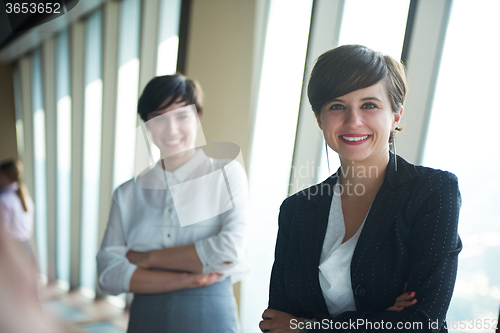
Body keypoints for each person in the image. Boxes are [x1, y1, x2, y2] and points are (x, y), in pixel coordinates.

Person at [260, 45, 461, 332]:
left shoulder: (432, 192)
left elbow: (422, 322)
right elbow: (276, 322)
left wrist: (309, 327)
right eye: (337, 106)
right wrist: (381, 319)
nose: (353, 121)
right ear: (319, 119)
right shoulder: (296, 210)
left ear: (396, 116)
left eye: (369, 105)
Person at [97, 74, 248, 333]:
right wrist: (189, 278)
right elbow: (107, 275)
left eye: (181, 116)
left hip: (209, 315)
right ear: (146, 124)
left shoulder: (226, 173)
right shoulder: (127, 193)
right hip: (146, 318)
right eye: (159, 117)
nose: (171, 129)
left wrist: (146, 259)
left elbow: (229, 251)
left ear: (197, 117)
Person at [0, 159, 35, 260]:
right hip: (27, 247)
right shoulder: (25, 196)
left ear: (4, 176)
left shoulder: (4, 200)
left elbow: (3, 232)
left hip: (13, 250)